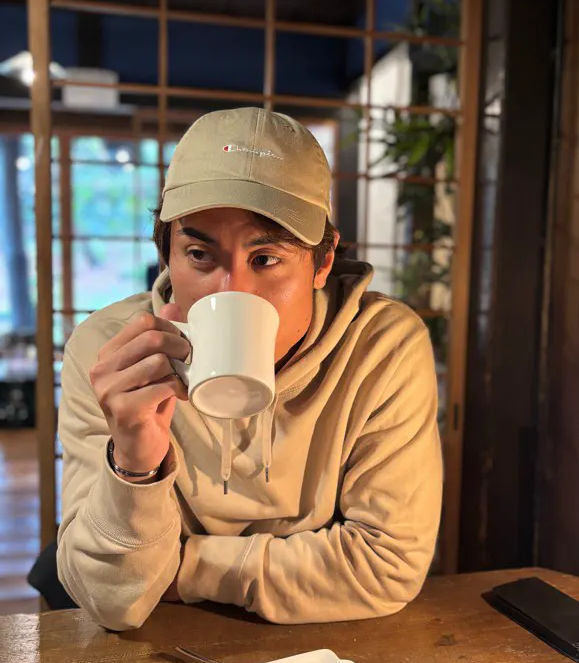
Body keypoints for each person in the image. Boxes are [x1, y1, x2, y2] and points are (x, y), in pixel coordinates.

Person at [56, 107, 443, 630]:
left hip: (329, 651)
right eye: (199, 254)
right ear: (166, 254)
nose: (232, 289)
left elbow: (386, 566)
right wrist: (135, 464)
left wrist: (182, 568)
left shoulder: (381, 348)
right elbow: (111, 602)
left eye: (265, 259)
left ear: (323, 262)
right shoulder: (111, 356)